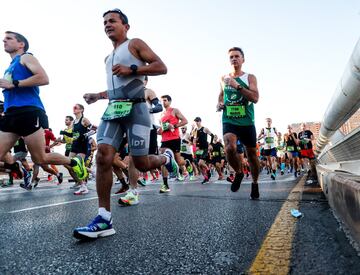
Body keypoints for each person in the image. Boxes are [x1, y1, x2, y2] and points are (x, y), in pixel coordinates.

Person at [75, 9, 177, 239]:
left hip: (138, 109)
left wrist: (133, 68)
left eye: (112, 21)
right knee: (102, 156)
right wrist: (97, 96)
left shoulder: (135, 44)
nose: (107, 25)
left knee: (140, 164)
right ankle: (104, 219)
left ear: (126, 26)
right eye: (104, 22)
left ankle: (166, 158)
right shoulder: (107, 58)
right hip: (114, 110)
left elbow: (161, 67)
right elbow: (115, 89)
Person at [0, 31, 87, 190]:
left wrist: (14, 84)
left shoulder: (26, 57)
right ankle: (17, 168)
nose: (4, 41)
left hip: (29, 112)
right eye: (4, 39)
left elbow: (43, 78)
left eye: (9, 38)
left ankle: (73, 162)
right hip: (10, 114)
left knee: (40, 158)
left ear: (21, 44)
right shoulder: (9, 67)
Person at [217, 47, 260, 199]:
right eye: (231, 57)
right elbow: (221, 96)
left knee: (252, 155)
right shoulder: (223, 78)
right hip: (229, 119)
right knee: (229, 147)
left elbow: (255, 98)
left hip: (247, 121)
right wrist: (219, 104)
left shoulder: (250, 77)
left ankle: (255, 183)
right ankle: (239, 172)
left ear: (243, 59)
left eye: (237, 56)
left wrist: (237, 86)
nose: (234, 59)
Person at [158, 94, 188, 193]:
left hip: (175, 139)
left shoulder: (174, 110)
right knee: (163, 160)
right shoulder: (161, 115)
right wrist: (159, 131)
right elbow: (161, 129)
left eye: (165, 100)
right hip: (164, 140)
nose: (163, 102)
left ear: (170, 101)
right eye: (162, 101)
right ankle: (165, 184)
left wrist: (174, 125)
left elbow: (185, 121)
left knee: (179, 161)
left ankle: (186, 163)